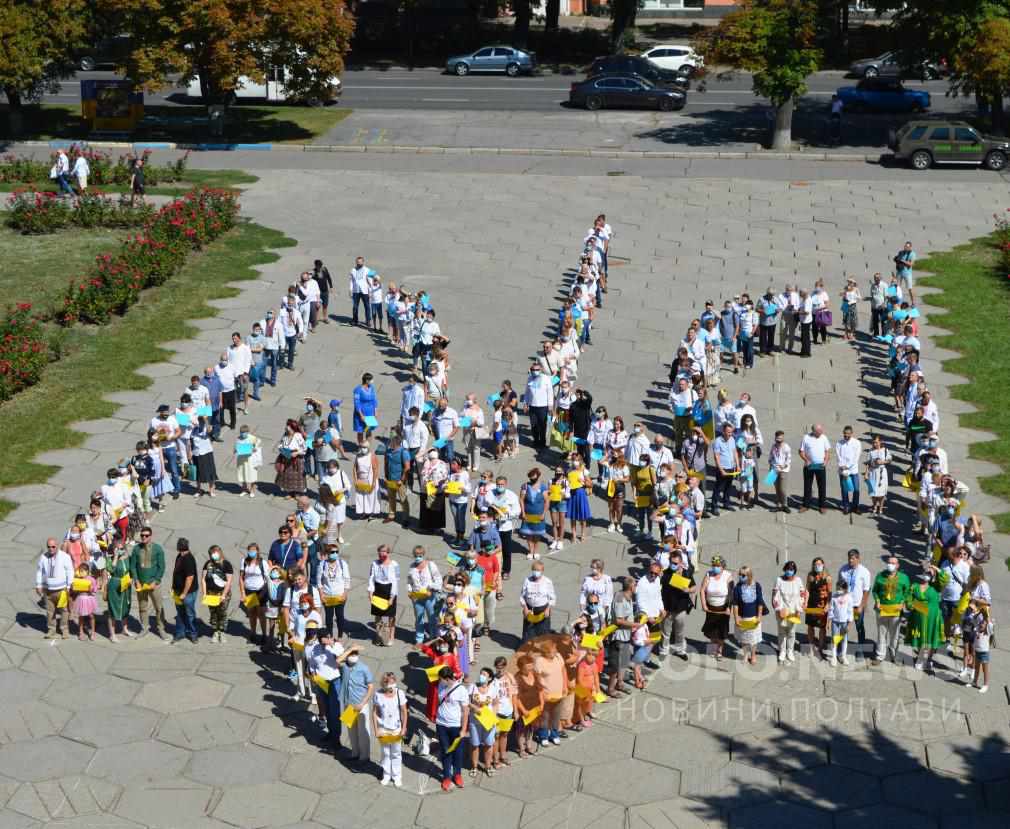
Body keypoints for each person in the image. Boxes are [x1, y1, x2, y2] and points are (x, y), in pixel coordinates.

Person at [905, 566, 948, 672]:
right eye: (926, 572)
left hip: (932, 619)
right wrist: (916, 606)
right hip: (917, 619)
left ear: (933, 576)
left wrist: (936, 569)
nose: (928, 574)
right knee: (920, 639)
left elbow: (946, 578)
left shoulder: (936, 587)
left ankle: (924, 659)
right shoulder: (915, 586)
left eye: (930, 573)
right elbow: (908, 600)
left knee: (930, 640)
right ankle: (924, 658)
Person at [434, 666, 469, 792]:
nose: (440, 681)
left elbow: (465, 711)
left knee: (458, 752)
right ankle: (447, 776)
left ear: (448, 679)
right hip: (441, 724)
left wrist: (463, 729)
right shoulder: (441, 684)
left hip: (456, 726)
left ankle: (457, 774)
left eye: (442, 679)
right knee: (445, 751)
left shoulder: (461, 690)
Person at [871, 555, 910, 665]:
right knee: (881, 634)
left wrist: (903, 602)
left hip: (896, 611)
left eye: (893, 563)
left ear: (897, 565)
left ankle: (894, 655)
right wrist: (877, 600)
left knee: (895, 635)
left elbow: (907, 592)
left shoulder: (904, 578)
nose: (890, 565)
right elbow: (875, 591)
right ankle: (880, 656)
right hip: (882, 610)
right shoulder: (880, 576)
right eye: (889, 562)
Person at [371, 671, 408, 786]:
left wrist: (404, 728)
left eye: (393, 683)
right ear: (384, 684)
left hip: (396, 729)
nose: (392, 687)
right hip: (384, 729)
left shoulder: (399, 694)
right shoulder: (378, 695)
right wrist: (376, 730)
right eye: (389, 684)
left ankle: (397, 776)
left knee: (396, 753)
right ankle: (386, 774)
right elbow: (374, 712)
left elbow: (404, 712)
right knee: (386, 753)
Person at [129, 527, 166, 639]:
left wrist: (156, 581)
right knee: (142, 607)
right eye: (142, 535)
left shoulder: (157, 549)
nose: (144, 537)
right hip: (141, 584)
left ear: (151, 536)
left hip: (154, 584)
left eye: (146, 535)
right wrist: (136, 580)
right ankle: (144, 627)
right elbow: (133, 567)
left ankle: (161, 629)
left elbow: (161, 567)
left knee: (158, 607)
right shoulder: (136, 549)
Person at [340, 646, 374, 764]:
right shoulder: (344, 666)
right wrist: (349, 650)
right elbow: (336, 661)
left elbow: (370, 687)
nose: (353, 656)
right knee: (351, 730)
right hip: (348, 703)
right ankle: (355, 752)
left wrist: (363, 703)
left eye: (355, 654)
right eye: (351, 654)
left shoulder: (364, 668)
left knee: (363, 732)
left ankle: (364, 757)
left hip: (360, 704)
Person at [732, 565, 767, 665]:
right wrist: (736, 618)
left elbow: (760, 602)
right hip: (742, 617)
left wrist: (759, 616)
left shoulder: (757, 586)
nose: (740, 576)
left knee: (753, 639)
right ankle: (745, 655)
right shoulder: (737, 587)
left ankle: (753, 655)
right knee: (743, 638)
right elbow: (735, 604)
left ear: (749, 575)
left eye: (743, 575)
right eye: (740, 574)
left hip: (753, 617)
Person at [838, 548, 871, 655]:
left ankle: (861, 649)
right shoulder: (843, 569)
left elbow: (866, 590)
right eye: (849, 558)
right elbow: (839, 586)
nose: (850, 561)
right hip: (845, 604)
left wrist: (862, 605)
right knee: (843, 625)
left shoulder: (864, 572)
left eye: (852, 559)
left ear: (858, 558)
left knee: (859, 626)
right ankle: (841, 648)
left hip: (857, 605)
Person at [772, 561, 806, 663]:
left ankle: (790, 650)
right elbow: (774, 596)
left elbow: (802, 596)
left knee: (791, 632)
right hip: (782, 610)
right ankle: (782, 651)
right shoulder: (779, 580)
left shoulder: (798, 580)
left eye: (791, 569)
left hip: (793, 611)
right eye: (787, 569)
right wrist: (777, 609)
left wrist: (799, 610)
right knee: (782, 632)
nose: (789, 571)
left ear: (794, 570)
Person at [700, 555, 733, 661]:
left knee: (721, 631)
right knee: (711, 629)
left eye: (718, 565)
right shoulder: (708, 574)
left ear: (723, 566)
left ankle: (719, 651)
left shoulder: (728, 576)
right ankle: (712, 649)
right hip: (711, 607)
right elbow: (702, 590)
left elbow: (731, 594)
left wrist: (728, 608)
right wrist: (704, 604)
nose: (715, 567)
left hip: (723, 608)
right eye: (714, 565)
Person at [606, 577, 635, 695]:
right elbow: (619, 620)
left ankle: (620, 683)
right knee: (614, 665)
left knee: (624, 662)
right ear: (631, 587)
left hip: (626, 635)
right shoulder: (619, 598)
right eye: (635, 585)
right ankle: (610, 689)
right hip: (618, 637)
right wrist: (635, 624)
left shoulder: (628, 597)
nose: (636, 587)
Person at [468, 667, 499, 776]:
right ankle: (474, 767)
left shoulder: (493, 688)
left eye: (484, 675)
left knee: (488, 744)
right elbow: (467, 702)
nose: (481, 676)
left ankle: (488, 766)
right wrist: (473, 708)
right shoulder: (473, 687)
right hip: (475, 721)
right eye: (481, 674)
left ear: (490, 678)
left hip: (488, 721)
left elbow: (495, 703)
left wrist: (494, 718)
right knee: (475, 745)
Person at [200, 545, 233, 643]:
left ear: (220, 552)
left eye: (216, 552)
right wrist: (204, 594)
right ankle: (215, 631)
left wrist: (223, 595)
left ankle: (221, 632)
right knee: (213, 613)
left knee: (222, 613)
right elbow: (203, 579)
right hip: (211, 594)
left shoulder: (226, 564)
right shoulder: (208, 564)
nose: (214, 554)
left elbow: (229, 581)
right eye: (212, 553)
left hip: (222, 594)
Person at [171, 538, 199, 643]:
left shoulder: (188, 559)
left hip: (188, 592)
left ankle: (193, 634)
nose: (181, 551)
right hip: (178, 590)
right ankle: (180, 633)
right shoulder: (180, 556)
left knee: (190, 613)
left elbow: (190, 578)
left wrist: (184, 593)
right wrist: (173, 586)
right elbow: (176, 572)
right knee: (180, 613)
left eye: (182, 548)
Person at [799, 423, 831, 513]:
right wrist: (806, 460)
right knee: (807, 486)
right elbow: (801, 451)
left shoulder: (824, 437)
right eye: (819, 431)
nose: (821, 432)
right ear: (813, 431)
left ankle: (822, 505)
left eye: (821, 430)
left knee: (822, 486)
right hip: (809, 466)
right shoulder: (806, 438)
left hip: (821, 465)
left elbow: (827, 451)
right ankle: (806, 505)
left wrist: (826, 461)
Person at [519, 561, 555, 642]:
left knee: (543, 632)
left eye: (538, 570)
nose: (536, 572)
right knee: (528, 632)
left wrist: (548, 609)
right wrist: (525, 608)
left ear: (542, 571)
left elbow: (552, 598)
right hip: (529, 609)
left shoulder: (547, 581)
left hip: (542, 610)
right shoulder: (527, 580)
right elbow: (522, 596)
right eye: (534, 570)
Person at [711, 422, 740, 516]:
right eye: (728, 432)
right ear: (723, 431)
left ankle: (726, 503)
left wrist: (738, 465)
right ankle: (714, 506)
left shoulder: (732, 439)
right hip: (722, 468)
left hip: (731, 467)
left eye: (731, 432)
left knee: (728, 487)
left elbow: (735, 452)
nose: (730, 434)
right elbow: (716, 456)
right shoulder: (718, 441)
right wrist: (721, 469)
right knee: (718, 487)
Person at [804, 557, 831, 658]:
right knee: (810, 626)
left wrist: (828, 605)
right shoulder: (810, 576)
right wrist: (805, 602)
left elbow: (830, 593)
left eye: (819, 564)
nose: (817, 566)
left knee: (822, 627)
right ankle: (811, 647)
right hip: (811, 604)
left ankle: (820, 647)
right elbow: (807, 589)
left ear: (823, 565)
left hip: (822, 605)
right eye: (815, 564)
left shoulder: (827, 578)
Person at [523, 363, 554, 450]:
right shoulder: (529, 378)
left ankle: (542, 442)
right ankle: (536, 441)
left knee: (542, 425)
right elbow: (527, 392)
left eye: (537, 370)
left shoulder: (546, 379)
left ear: (541, 370)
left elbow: (550, 393)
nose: (535, 371)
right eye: (533, 370)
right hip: (532, 406)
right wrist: (525, 403)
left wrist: (550, 406)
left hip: (543, 406)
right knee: (534, 425)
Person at [419, 449, 449, 534]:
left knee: (438, 510)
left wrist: (440, 484)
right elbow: (417, 457)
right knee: (427, 509)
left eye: (434, 459)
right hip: (426, 490)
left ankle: (437, 528)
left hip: (438, 491)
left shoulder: (442, 464)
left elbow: (445, 476)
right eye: (431, 459)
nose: (433, 461)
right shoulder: (426, 463)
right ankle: (427, 527)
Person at [275, 420, 307, 498]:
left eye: (288, 425)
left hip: (297, 460)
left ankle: (297, 493)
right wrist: (281, 448)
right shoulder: (285, 435)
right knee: (288, 476)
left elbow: (304, 448)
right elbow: (281, 444)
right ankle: (290, 492)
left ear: (292, 427)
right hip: (287, 458)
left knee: (297, 476)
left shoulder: (298, 436)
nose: (286, 427)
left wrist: (296, 453)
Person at [835, 425, 862, 515]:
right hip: (843, 470)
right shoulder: (839, 443)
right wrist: (842, 466)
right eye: (845, 434)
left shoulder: (857, 443)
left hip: (853, 470)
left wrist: (847, 466)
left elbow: (856, 457)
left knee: (856, 489)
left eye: (848, 434)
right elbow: (838, 456)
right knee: (844, 489)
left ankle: (855, 506)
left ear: (852, 433)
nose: (846, 436)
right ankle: (846, 506)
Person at [352, 442, 382, 520]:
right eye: (361, 447)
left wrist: (374, 482)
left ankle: (372, 513)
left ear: (368, 448)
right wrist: (355, 480)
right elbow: (355, 468)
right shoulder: (358, 456)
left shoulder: (372, 456)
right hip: (361, 479)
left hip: (370, 478)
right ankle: (365, 512)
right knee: (362, 497)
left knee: (371, 497)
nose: (363, 448)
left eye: (364, 447)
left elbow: (375, 469)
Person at [827, 581, 853, 666]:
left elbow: (850, 611)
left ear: (845, 589)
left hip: (844, 623)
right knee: (835, 639)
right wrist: (829, 622)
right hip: (835, 622)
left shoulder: (849, 598)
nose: (838, 590)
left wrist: (849, 624)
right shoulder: (834, 597)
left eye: (840, 589)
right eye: (837, 588)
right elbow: (831, 609)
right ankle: (834, 657)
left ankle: (843, 656)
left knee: (844, 639)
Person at [190, 416, 217, 498]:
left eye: (202, 420)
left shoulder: (207, 428)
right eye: (199, 420)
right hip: (196, 453)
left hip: (206, 452)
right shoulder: (194, 429)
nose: (200, 422)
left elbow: (209, 430)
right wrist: (189, 452)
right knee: (197, 473)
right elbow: (190, 441)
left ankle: (211, 490)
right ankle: (199, 490)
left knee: (210, 472)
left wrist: (206, 421)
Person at [969, 604, 993, 693]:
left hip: (984, 653)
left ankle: (985, 685)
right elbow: (974, 619)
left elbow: (989, 622)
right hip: (977, 651)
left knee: (985, 669)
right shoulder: (977, 628)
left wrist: (986, 613)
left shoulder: (988, 630)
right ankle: (974, 681)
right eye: (981, 623)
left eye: (983, 623)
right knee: (976, 667)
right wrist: (979, 612)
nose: (982, 624)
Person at [70, 564, 98, 640]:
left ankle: (92, 632)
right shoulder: (77, 579)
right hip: (81, 599)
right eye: (80, 571)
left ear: (87, 571)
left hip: (89, 599)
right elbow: (74, 591)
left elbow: (95, 590)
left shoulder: (91, 579)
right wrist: (73, 587)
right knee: (81, 616)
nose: (81, 573)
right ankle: (81, 632)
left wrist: (90, 589)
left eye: (83, 571)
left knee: (91, 616)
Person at [864, 434, 891, 514]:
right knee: (873, 491)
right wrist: (866, 473)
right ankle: (875, 506)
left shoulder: (885, 450)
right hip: (873, 472)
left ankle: (881, 508)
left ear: (880, 442)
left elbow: (889, 460)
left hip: (882, 472)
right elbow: (868, 463)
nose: (874, 444)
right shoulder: (871, 451)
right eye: (873, 442)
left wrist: (882, 462)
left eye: (876, 442)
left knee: (881, 492)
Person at [235, 423, 263, 497]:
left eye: (244, 432)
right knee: (242, 475)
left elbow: (258, 441)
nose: (243, 434)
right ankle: (244, 489)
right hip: (241, 460)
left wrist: (255, 448)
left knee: (251, 475)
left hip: (250, 460)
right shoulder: (238, 438)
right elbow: (235, 448)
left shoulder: (252, 438)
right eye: (241, 432)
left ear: (247, 432)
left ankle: (252, 490)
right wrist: (236, 450)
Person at [352, 373, 378, 445]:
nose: (372, 381)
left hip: (370, 413)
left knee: (369, 430)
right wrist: (361, 415)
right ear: (367, 380)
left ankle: (367, 446)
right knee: (360, 431)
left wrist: (375, 411)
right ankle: (361, 446)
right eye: (371, 379)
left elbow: (374, 399)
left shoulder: (371, 387)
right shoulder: (358, 390)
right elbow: (356, 403)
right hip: (361, 413)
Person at [349, 256, 372, 327]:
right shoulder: (353, 270)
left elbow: (370, 281)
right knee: (355, 306)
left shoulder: (368, 270)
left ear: (363, 262)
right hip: (356, 291)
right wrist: (350, 290)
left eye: (360, 262)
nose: (359, 264)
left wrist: (370, 291)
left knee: (367, 306)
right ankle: (355, 320)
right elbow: (351, 281)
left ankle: (368, 321)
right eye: (357, 262)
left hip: (365, 291)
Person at [894, 241, 917, 306]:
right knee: (897, 287)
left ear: (910, 247)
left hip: (907, 273)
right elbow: (897, 259)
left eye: (907, 247)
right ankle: (897, 301)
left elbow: (911, 264)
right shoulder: (901, 252)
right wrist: (896, 259)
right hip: (899, 272)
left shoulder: (912, 254)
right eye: (905, 246)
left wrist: (902, 261)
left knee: (910, 288)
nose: (905, 248)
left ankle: (913, 302)